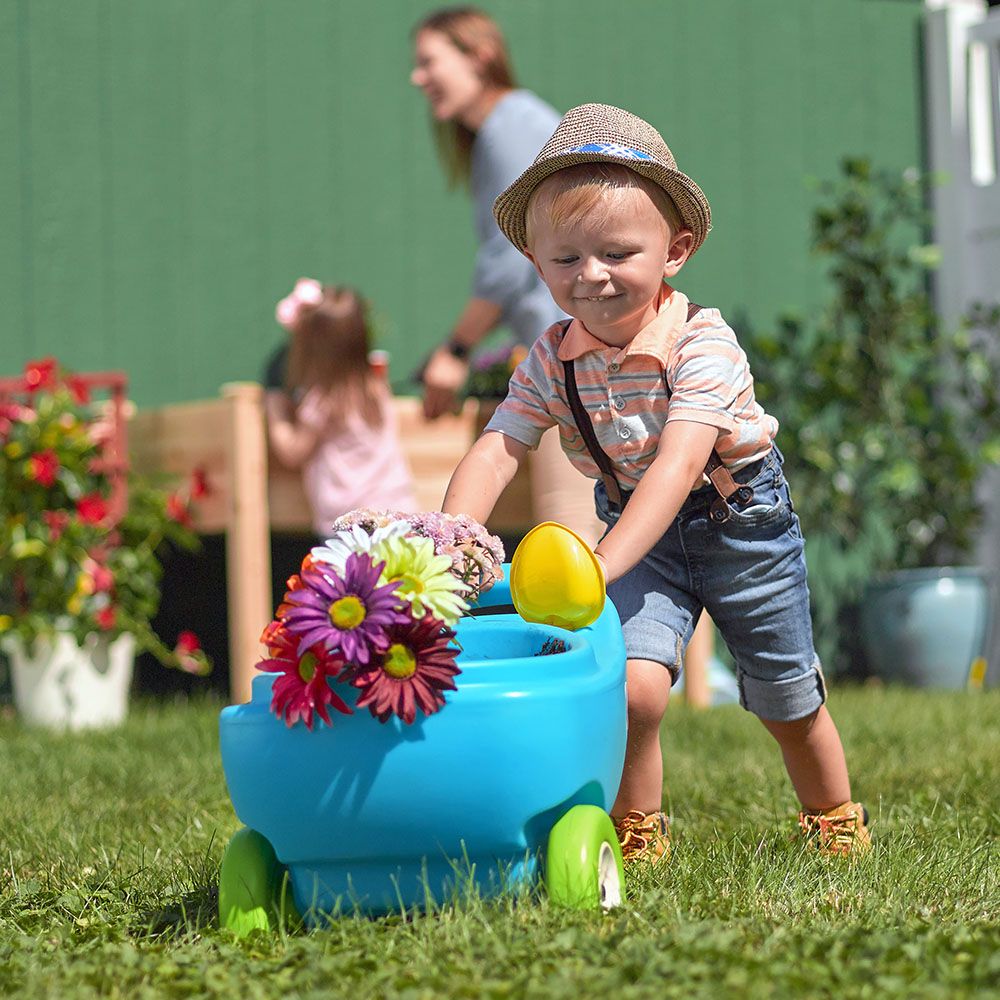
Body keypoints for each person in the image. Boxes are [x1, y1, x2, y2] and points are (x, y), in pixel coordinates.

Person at [442, 104, 871, 862]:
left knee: (785, 698)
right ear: (537, 263)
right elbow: (497, 448)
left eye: (616, 252)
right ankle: (639, 827)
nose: (592, 276)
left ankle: (832, 817)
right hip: (643, 536)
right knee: (635, 688)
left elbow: (677, 465)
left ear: (674, 250)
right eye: (565, 259)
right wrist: (453, 542)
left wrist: (603, 563)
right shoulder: (550, 359)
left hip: (741, 524)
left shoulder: (702, 342)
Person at [410, 5, 601, 544]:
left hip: (578, 353)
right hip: (569, 351)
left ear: (480, 55)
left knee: (574, 533)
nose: (418, 78)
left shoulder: (510, 127)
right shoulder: (506, 130)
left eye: (430, 62)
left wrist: (454, 349)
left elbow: (510, 257)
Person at [263, 278, 417, 538]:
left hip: (351, 524)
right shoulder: (375, 387)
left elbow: (292, 451)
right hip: (399, 512)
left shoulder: (323, 400)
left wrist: (275, 410)